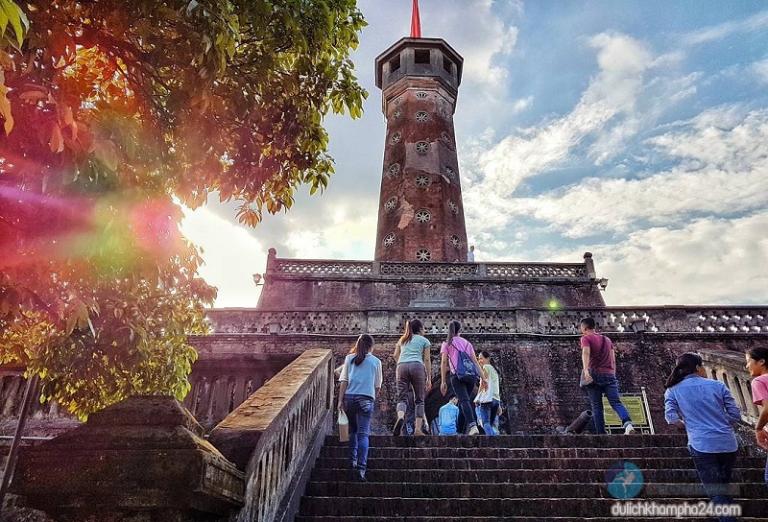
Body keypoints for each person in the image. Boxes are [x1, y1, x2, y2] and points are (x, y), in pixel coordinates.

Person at [664, 352, 741, 522]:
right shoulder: (717, 386)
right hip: (728, 443)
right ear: (698, 367)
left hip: (701, 445)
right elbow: (735, 414)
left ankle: (727, 518)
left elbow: (671, 418)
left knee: (716, 490)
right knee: (723, 485)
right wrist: (721, 422)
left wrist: (689, 425)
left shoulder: (673, 390)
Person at [338, 334, 382, 482]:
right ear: (371, 346)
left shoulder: (349, 359)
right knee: (363, 434)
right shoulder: (376, 361)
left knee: (353, 432)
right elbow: (377, 386)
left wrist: (340, 400)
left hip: (350, 398)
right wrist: (372, 398)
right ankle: (361, 469)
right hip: (366, 399)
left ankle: (352, 461)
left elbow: (343, 381)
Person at [579, 317, 635, 434]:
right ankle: (628, 424)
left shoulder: (586, 338)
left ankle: (601, 434)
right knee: (616, 402)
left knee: (597, 406)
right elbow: (613, 359)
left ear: (584, 328)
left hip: (594, 374)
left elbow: (586, 353)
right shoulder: (607, 340)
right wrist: (612, 374)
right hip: (609, 374)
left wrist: (586, 371)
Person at [440, 320, 484, 435]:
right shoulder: (467, 343)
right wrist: (484, 378)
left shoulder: (447, 343)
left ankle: (473, 426)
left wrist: (443, 381)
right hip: (471, 376)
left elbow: (444, 362)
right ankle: (459, 430)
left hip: (457, 376)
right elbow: (475, 362)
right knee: (464, 402)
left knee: (464, 401)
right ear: (460, 330)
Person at [393, 319, 431, 436]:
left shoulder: (403, 339)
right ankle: (418, 429)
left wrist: (402, 363)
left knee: (402, 398)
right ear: (420, 329)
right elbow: (427, 359)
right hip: (417, 366)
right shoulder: (424, 340)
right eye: (423, 328)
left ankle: (400, 417)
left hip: (402, 366)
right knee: (419, 399)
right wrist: (429, 377)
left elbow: (395, 355)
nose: (424, 330)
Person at [745, 346, 768, 485]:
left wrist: (758, 428)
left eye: (749, 361)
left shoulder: (759, 381)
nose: (747, 365)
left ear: (761, 361)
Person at [474, 351, 501, 435]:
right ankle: (495, 440)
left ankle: (493, 443)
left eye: (481, 358)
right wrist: (499, 405)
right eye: (478, 359)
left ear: (488, 358)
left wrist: (477, 398)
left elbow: (483, 383)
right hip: (496, 400)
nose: (479, 361)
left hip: (487, 399)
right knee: (491, 425)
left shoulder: (485, 367)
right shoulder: (495, 371)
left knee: (485, 423)